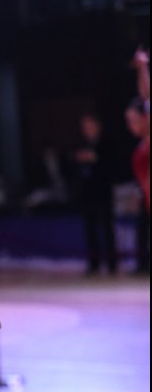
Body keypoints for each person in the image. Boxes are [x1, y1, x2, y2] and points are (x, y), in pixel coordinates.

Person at [69, 113, 117, 275]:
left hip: (103, 192)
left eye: (90, 126)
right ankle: (94, 263)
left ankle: (111, 264)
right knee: (90, 228)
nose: (87, 130)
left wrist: (95, 159)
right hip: (87, 193)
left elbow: (112, 166)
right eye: (84, 127)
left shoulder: (107, 144)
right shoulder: (81, 145)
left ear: (98, 126)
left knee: (107, 228)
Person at [126, 47, 150, 274]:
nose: (130, 126)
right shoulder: (141, 147)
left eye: (133, 120)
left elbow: (146, 96)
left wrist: (143, 68)